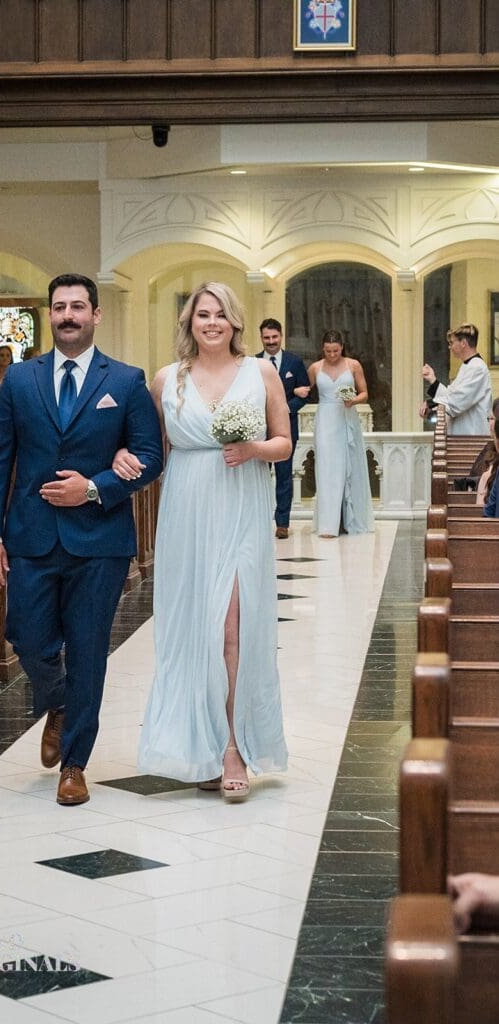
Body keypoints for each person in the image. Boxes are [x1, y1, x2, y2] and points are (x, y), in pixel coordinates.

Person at [0, 273, 163, 807]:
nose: (68, 316)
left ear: (96, 315)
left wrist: (96, 488)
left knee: (87, 652)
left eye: (78, 306)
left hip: (99, 542)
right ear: (49, 314)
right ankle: (57, 703)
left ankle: (75, 765)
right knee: (28, 639)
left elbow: (151, 457)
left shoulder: (125, 382)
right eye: (59, 307)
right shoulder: (20, 380)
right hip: (30, 537)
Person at [116, 282, 291, 800]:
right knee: (196, 630)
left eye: (220, 315)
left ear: (235, 322)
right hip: (186, 512)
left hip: (240, 506)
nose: (211, 322)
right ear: (189, 323)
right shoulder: (168, 379)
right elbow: (149, 449)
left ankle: (234, 745)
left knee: (233, 627)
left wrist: (254, 447)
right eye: (201, 315)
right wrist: (119, 460)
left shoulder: (258, 372)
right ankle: (199, 745)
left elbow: (284, 444)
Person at [302, 329, 374, 538]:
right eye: (327, 351)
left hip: (346, 417)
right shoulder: (315, 368)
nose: (332, 355)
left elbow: (365, 393)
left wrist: (353, 400)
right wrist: (300, 392)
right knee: (326, 469)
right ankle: (328, 524)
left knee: (347, 467)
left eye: (335, 351)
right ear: (322, 349)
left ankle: (350, 519)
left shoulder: (353, 365)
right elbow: (306, 390)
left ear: (342, 347)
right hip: (325, 419)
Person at [256, 317, 310, 539]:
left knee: (284, 475)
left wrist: (285, 408)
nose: (270, 341)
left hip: (286, 428)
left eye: (274, 337)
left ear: (281, 336)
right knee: (258, 475)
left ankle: (282, 523)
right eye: (266, 338)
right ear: (261, 338)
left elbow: (306, 393)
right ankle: (258, 520)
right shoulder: (253, 363)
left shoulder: (294, 362)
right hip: (259, 429)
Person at [421, 323, 492, 435]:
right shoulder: (467, 366)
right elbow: (451, 395)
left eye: (452, 343)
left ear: (463, 343)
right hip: (463, 437)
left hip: (472, 438)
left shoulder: (477, 368)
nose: (450, 347)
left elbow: (458, 401)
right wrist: (432, 380)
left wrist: (431, 403)